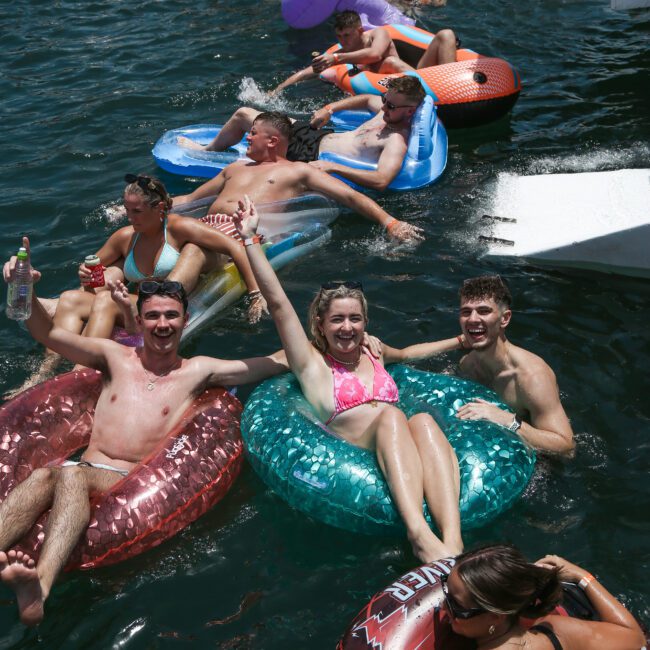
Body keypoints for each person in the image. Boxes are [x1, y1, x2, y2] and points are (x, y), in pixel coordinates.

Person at [0, 238, 288, 626]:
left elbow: (274, 362)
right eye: (153, 316)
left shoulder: (199, 370)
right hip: (86, 470)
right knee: (42, 475)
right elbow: (47, 334)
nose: (163, 324)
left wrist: (334, 345)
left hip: (128, 483)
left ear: (185, 320)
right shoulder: (115, 357)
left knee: (69, 473)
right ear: (140, 320)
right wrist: (25, 289)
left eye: (171, 315)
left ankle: (41, 589)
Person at [234, 195, 463, 563]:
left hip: (395, 442)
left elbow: (408, 354)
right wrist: (250, 240)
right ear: (320, 325)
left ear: (366, 323)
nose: (347, 327)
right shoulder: (312, 364)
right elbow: (278, 304)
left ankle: (453, 542)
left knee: (421, 420)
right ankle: (418, 535)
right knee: (392, 416)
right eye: (337, 319)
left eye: (355, 319)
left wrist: (458, 341)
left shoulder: (375, 350)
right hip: (355, 447)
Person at [8, 174, 267, 398]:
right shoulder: (125, 238)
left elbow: (236, 246)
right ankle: (43, 372)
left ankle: (79, 376)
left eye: (137, 211)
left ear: (160, 209)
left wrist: (256, 293)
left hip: (168, 301)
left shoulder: (180, 228)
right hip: (138, 301)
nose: (129, 217)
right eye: (127, 210)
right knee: (69, 299)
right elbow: (92, 269)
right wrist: (85, 273)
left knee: (107, 301)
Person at [173, 111, 423, 243]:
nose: (246, 138)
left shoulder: (298, 171)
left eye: (252, 133)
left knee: (193, 249)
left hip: (237, 235)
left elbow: (350, 196)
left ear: (272, 141)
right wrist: (152, 207)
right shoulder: (236, 167)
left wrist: (390, 223)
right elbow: (189, 199)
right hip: (205, 225)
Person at [178, 76, 426, 192]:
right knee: (244, 113)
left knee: (248, 119)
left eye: (391, 106)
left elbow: (382, 180)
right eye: (386, 100)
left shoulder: (396, 139)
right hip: (314, 134)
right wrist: (330, 108)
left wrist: (333, 167)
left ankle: (205, 153)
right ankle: (211, 149)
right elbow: (367, 99)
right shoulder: (383, 112)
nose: (384, 107)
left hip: (309, 153)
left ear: (410, 111)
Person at [454, 276, 575, 455]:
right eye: (466, 312)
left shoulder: (532, 377)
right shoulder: (467, 365)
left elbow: (567, 446)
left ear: (505, 318)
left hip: (536, 463)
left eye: (483, 311)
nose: (473, 319)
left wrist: (506, 419)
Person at [442, 544, 645, 649]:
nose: (443, 606)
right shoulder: (555, 630)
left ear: (495, 616)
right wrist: (582, 576)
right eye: (445, 591)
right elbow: (633, 638)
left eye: (456, 605)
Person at [272, 10, 457, 94]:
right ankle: (439, 89)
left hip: (417, 79)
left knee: (446, 34)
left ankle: (450, 83)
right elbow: (309, 71)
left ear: (360, 30)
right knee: (389, 64)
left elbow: (375, 54)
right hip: (394, 87)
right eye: (339, 36)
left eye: (346, 35)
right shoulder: (345, 50)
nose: (342, 40)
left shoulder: (379, 34)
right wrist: (279, 89)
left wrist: (337, 57)